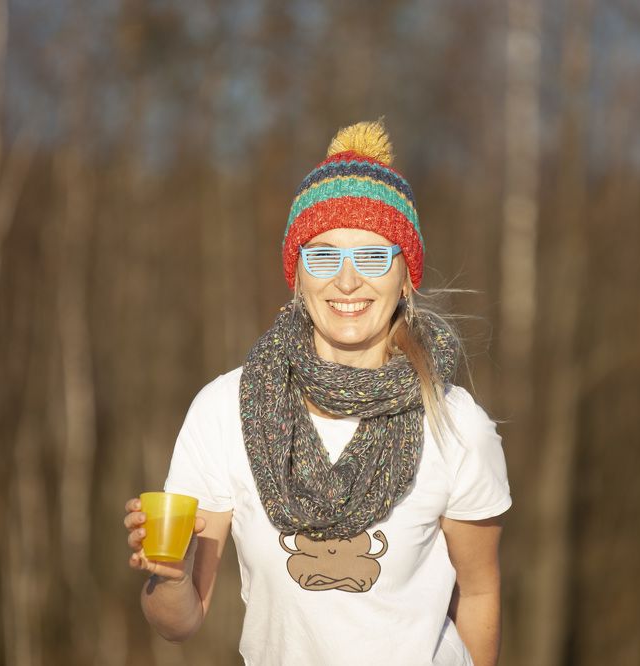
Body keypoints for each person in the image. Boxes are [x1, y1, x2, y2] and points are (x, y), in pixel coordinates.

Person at [123, 120, 511, 666]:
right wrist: (170, 577)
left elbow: (478, 593)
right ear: (297, 275)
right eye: (323, 256)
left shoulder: (455, 422)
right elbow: (180, 622)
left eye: (372, 257)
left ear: (406, 276)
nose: (346, 281)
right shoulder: (224, 410)